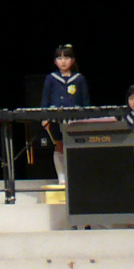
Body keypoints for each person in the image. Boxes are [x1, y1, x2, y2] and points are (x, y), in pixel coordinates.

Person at [42, 45, 90, 181]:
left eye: (66, 58)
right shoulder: (51, 78)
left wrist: (87, 119)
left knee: (75, 145)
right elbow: (45, 99)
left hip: (75, 119)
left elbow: (85, 101)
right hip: (56, 118)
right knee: (59, 145)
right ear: (55, 61)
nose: (63, 61)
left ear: (73, 60)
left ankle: (75, 177)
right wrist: (44, 118)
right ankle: (62, 178)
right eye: (59, 58)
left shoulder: (79, 79)